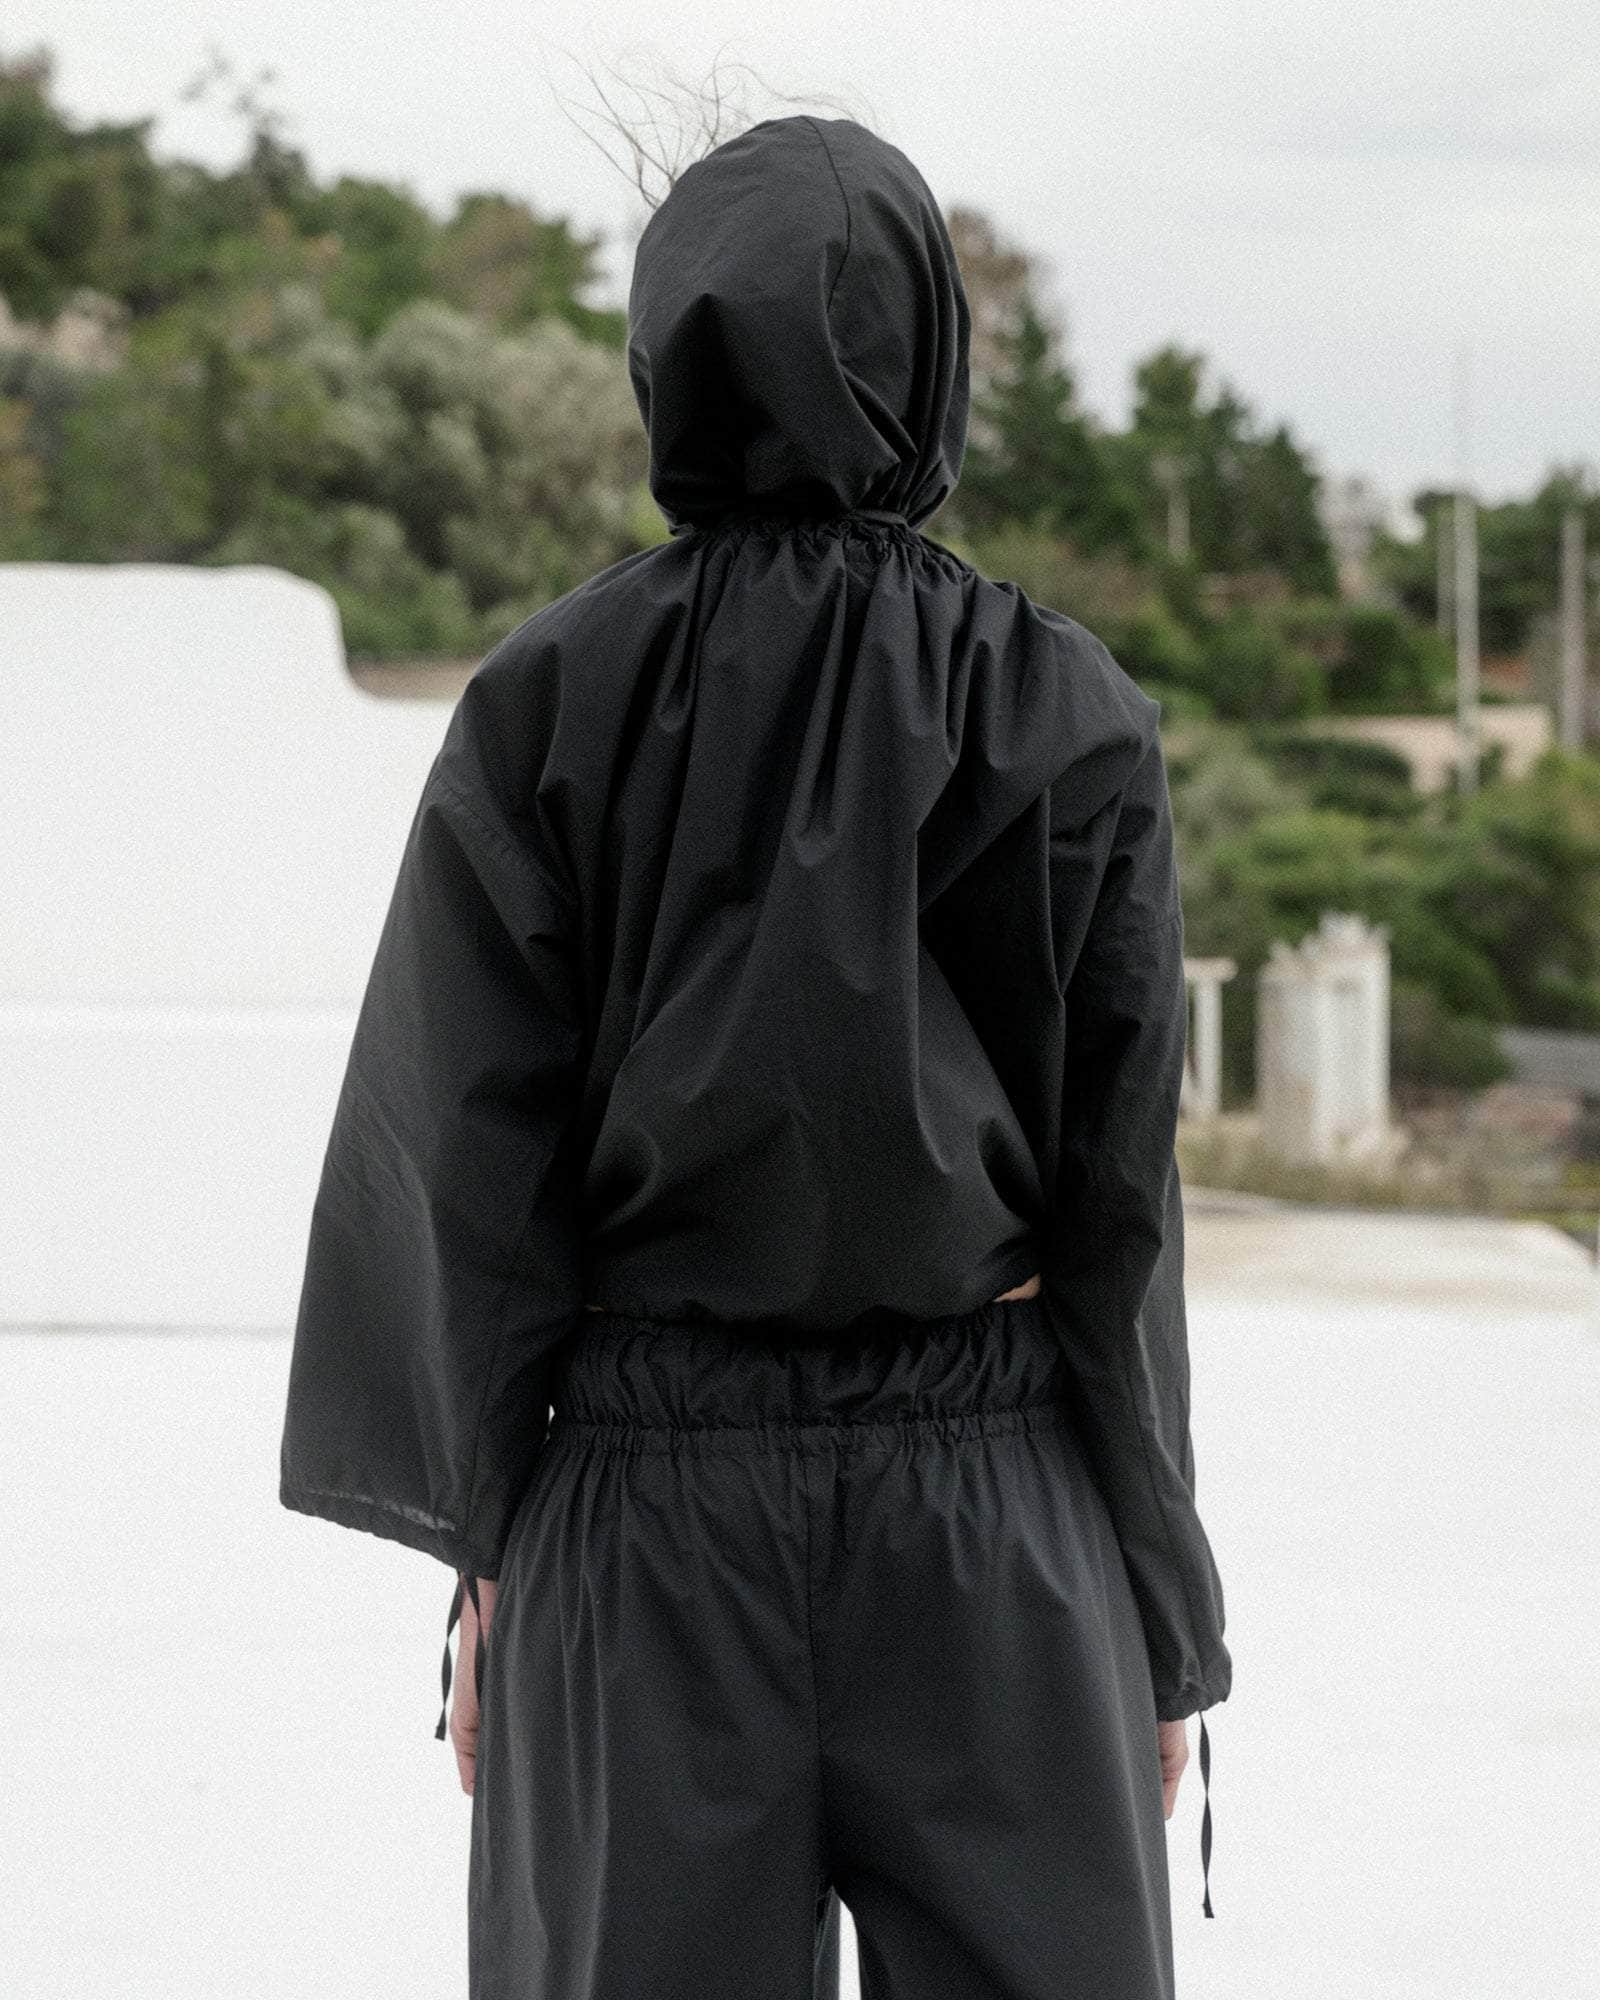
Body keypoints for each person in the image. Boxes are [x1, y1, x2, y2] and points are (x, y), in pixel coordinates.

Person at [279, 110, 1231, 2000]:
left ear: (668, 356)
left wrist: (489, 1553)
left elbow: (469, 1166)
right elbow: (1119, 1203)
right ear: (930, 352)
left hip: (644, 1523)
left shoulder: (542, 702)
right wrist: (1158, 1605)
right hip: (994, 1509)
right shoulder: (1065, 709)